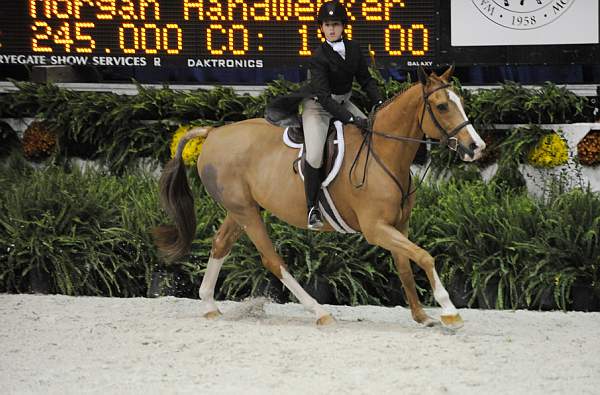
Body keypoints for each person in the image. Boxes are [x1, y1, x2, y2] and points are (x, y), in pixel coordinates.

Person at [265, 1, 383, 230]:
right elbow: (325, 99)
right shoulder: (319, 56)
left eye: (335, 25)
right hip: (318, 107)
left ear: (343, 27)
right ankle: (312, 208)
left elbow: (366, 80)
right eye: (327, 25)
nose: (331, 29)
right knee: (316, 155)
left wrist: (378, 101)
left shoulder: (354, 49)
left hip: (343, 101)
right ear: (321, 28)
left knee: (370, 132)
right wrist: (350, 119)